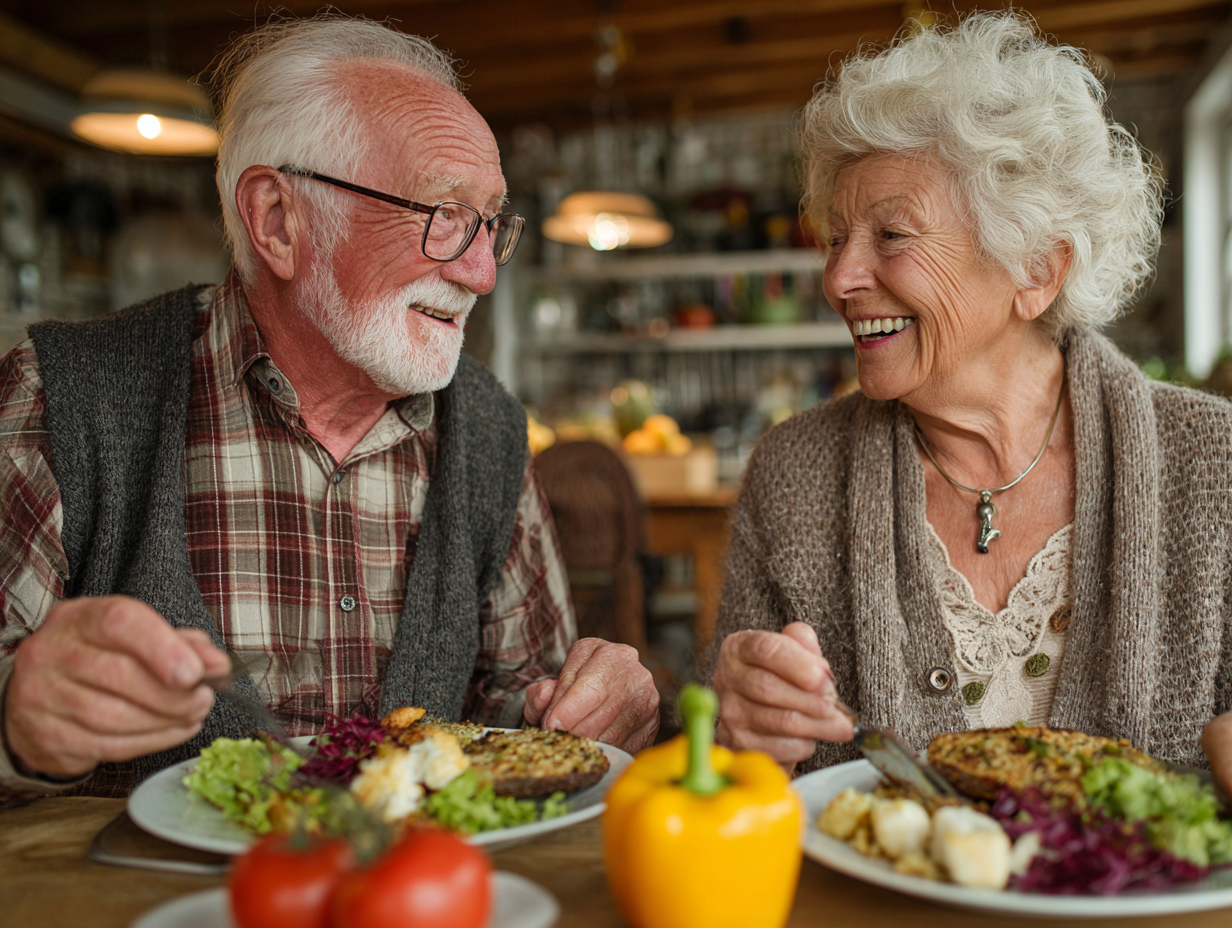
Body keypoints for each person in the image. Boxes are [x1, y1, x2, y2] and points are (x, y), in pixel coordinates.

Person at [0, 15, 658, 797]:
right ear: (279, 221)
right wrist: (16, 719)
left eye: (489, 223)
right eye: (442, 215)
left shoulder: (484, 427)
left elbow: (522, 720)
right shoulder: (60, 394)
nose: (483, 272)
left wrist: (592, 712)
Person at [707, 12, 1232, 790]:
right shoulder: (795, 472)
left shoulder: (1213, 463)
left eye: (891, 236)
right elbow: (734, 781)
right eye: (836, 237)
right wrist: (740, 730)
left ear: (1035, 271)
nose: (840, 279)